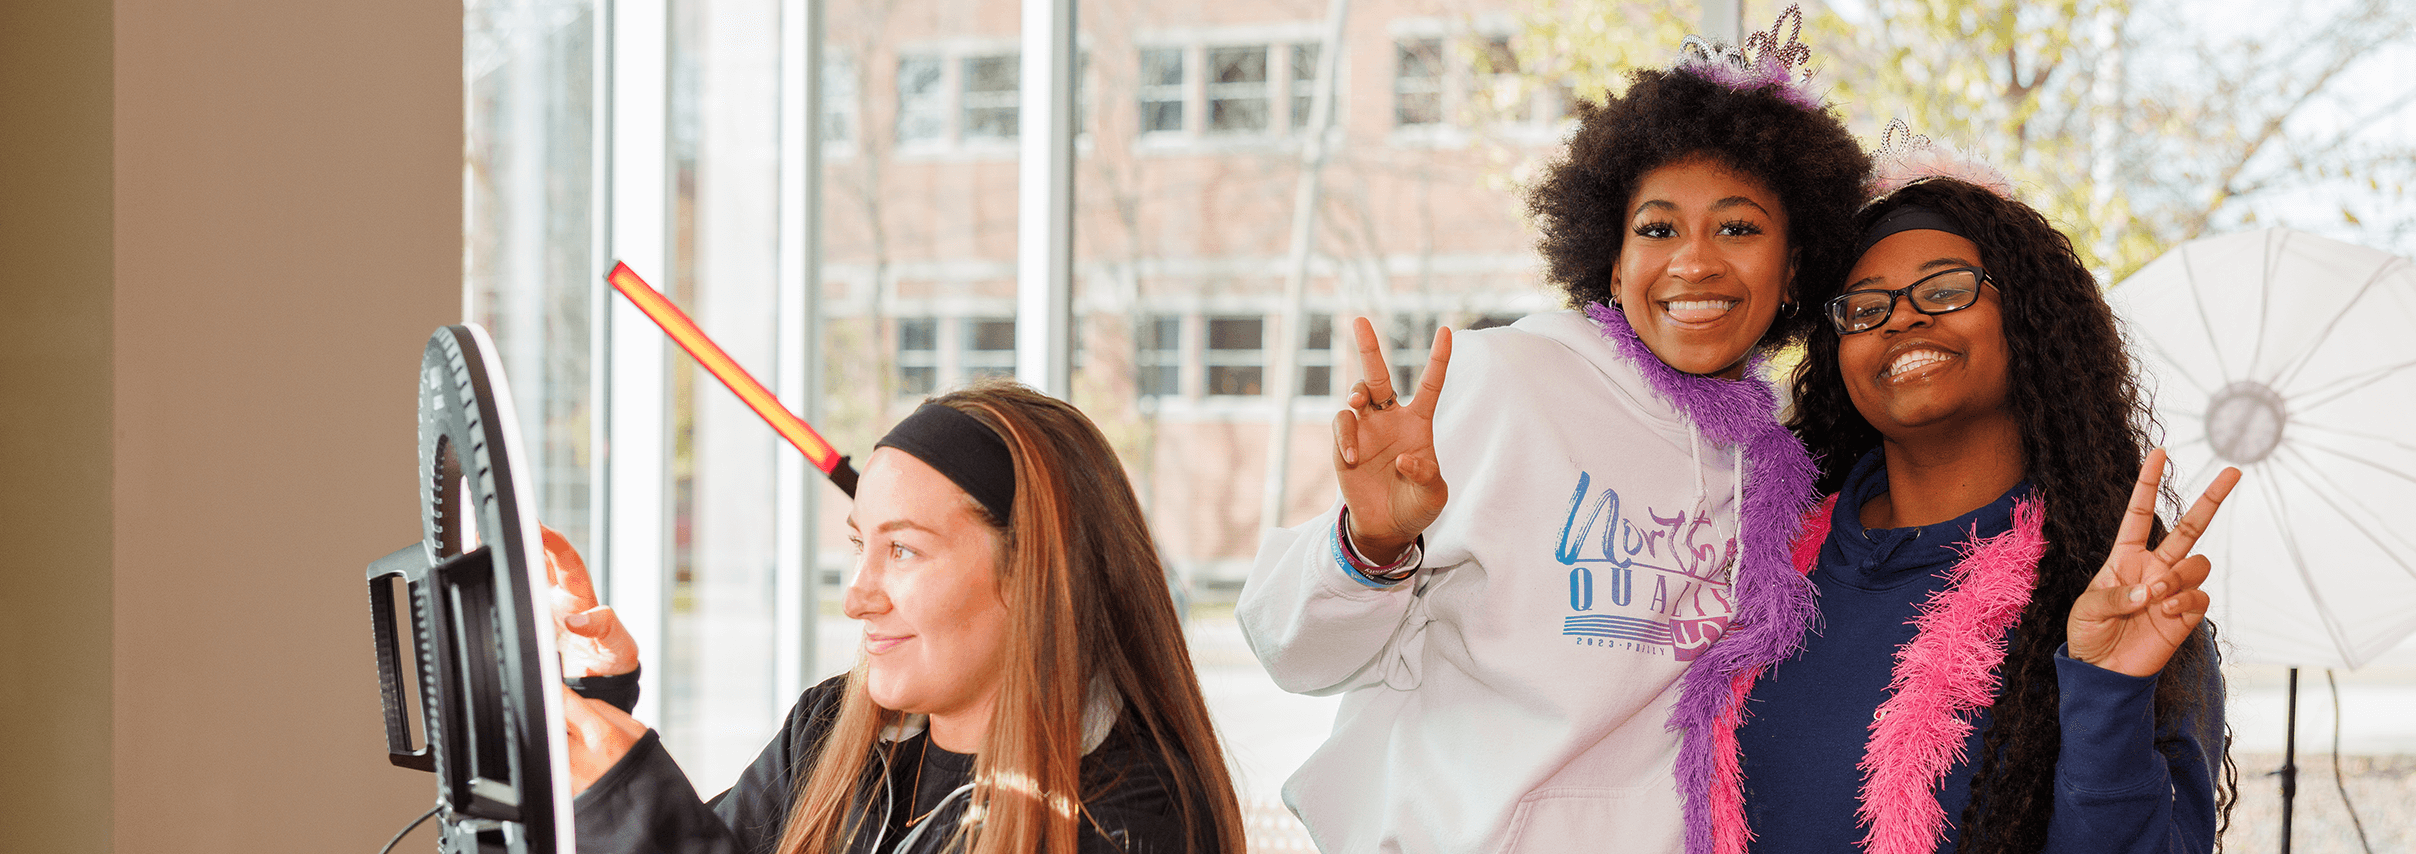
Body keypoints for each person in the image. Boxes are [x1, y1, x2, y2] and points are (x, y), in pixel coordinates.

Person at [1234, 9, 1871, 852]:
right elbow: (1294, 653)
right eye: (1658, 228)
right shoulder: (1511, 381)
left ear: (1794, 268)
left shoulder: (1789, 461)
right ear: (1612, 260)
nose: (1694, 261)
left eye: (1738, 227)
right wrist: (1372, 544)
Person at [1675, 170, 2244, 854]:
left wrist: (2108, 696)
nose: (1904, 316)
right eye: (1864, 307)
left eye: (1945, 290)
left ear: (2027, 321)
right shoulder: (1758, 563)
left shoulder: (2120, 604)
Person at [547, 381, 1247, 854]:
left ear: (1035, 573)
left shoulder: (1135, 819)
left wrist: (641, 816)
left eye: (903, 549)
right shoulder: (830, 734)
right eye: (861, 544)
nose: (858, 596)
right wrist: (589, 707)